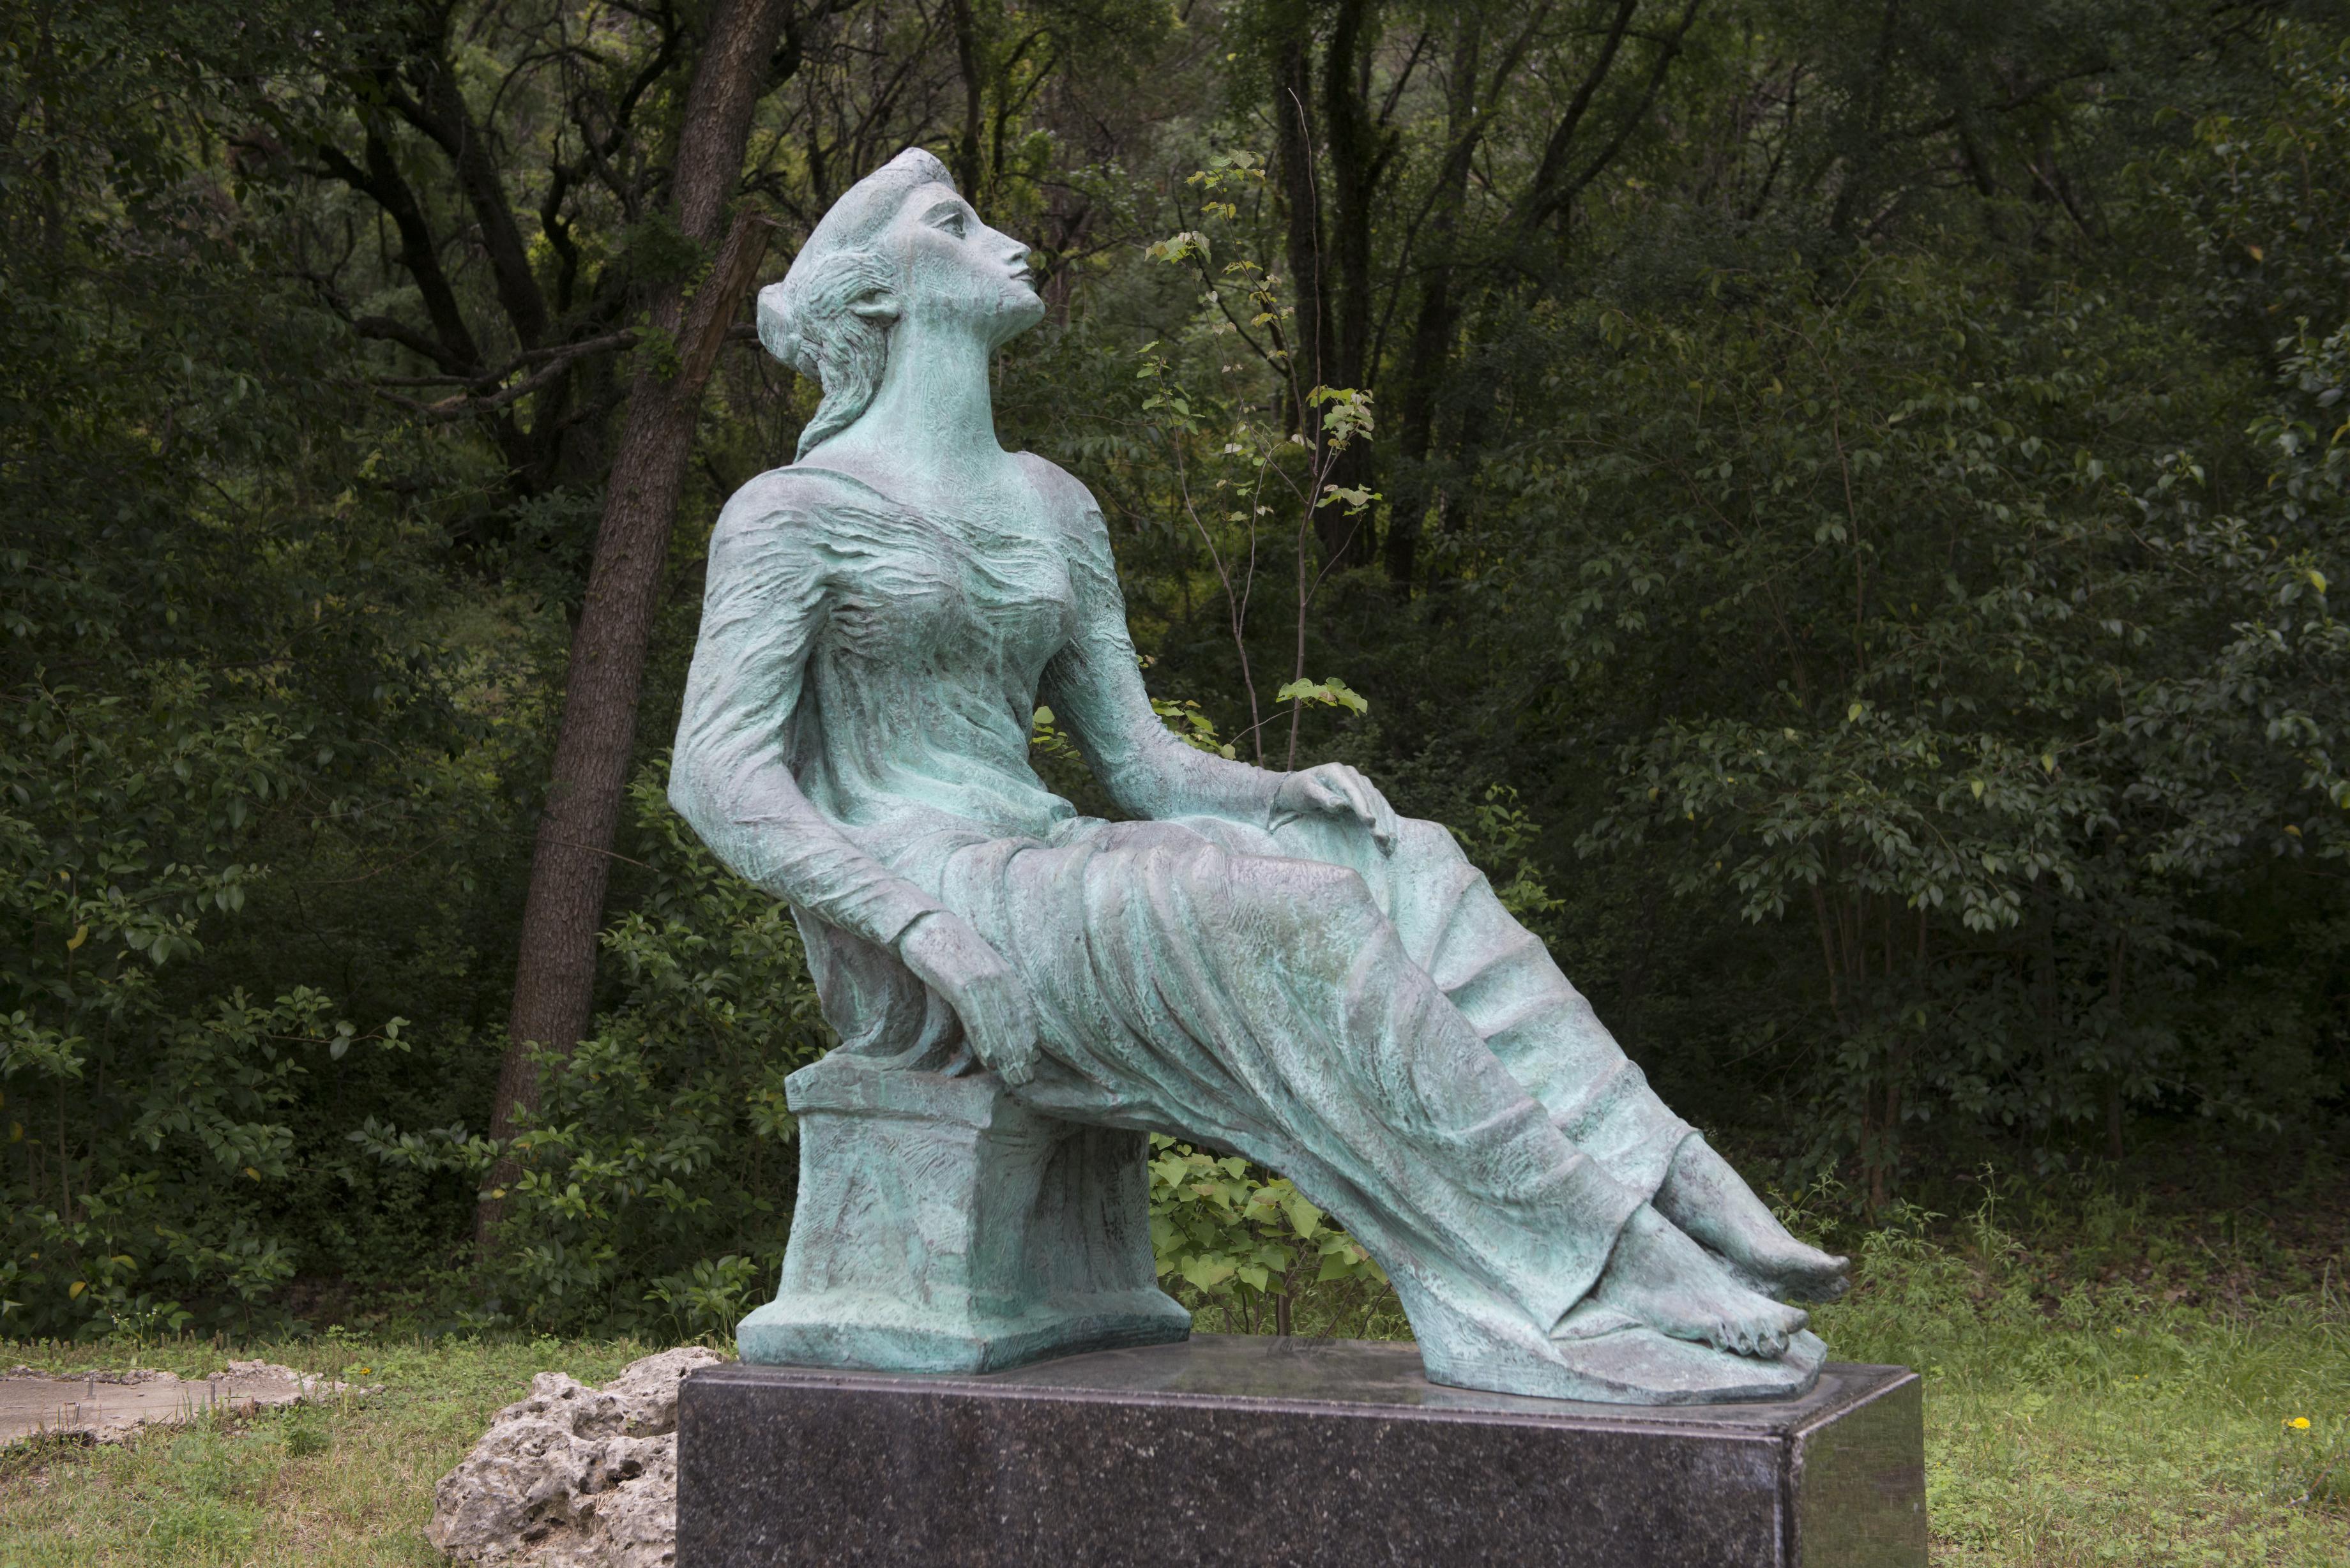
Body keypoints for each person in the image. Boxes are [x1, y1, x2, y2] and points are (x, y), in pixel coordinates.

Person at [669, 149, 1846, 1400]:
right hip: (926, 892)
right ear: (876, 300)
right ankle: (1588, 1267)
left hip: (1042, 854)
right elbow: (718, 776)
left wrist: (1285, 795)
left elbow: (1137, 761)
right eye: (954, 226)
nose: (1007, 242)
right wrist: (919, 929)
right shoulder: (791, 512)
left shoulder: (1051, 504)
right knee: (1292, 913)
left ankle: (1661, 1171)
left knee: (1399, 855)